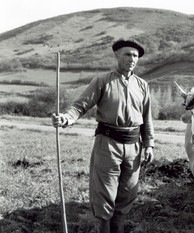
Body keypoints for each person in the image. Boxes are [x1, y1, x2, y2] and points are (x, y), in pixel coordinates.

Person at [51, 38, 155, 233]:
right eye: (127, 54)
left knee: (127, 193)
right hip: (108, 143)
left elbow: (146, 117)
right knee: (104, 194)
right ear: (117, 55)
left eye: (135, 56)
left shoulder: (142, 85)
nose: (131, 59)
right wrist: (66, 118)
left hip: (134, 146)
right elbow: (80, 105)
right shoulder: (102, 81)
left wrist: (149, 144)